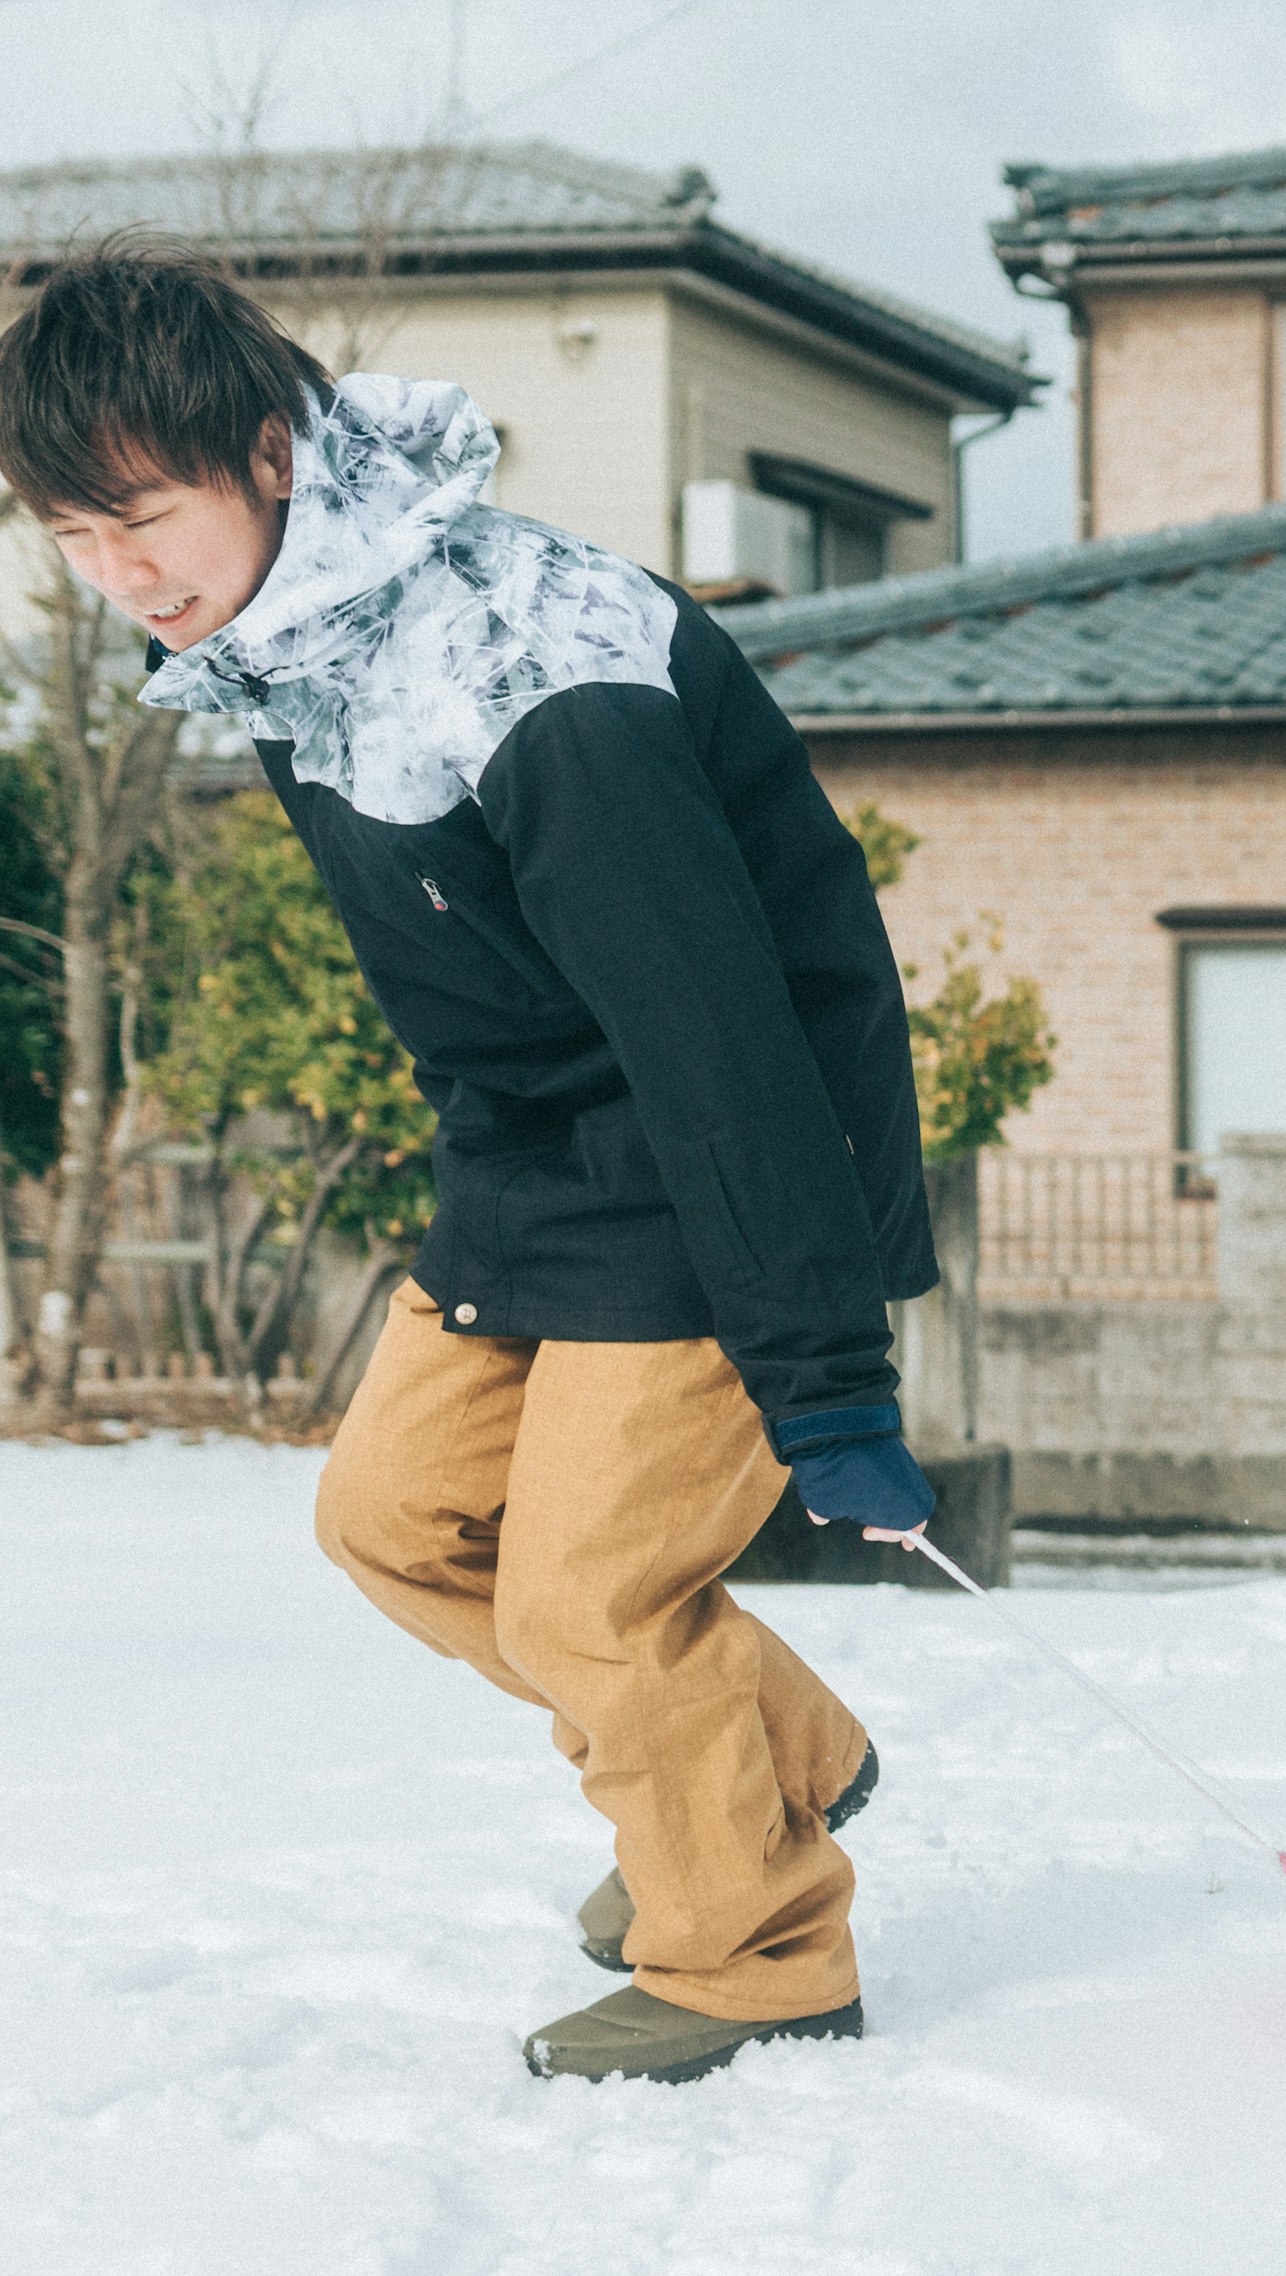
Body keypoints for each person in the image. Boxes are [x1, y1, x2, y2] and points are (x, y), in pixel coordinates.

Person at [0, 239, 941, 2085]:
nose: (117, 576)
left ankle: (753, 1953)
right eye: (72, 538)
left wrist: (822, 1372)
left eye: (143, 521)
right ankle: (768, 1769)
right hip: (545, 1161)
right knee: (393, 1517)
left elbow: (719, 1041)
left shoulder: (535, 665)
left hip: (731, 1160)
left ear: (268, 454)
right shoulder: (299, 635)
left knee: (587, 1593)